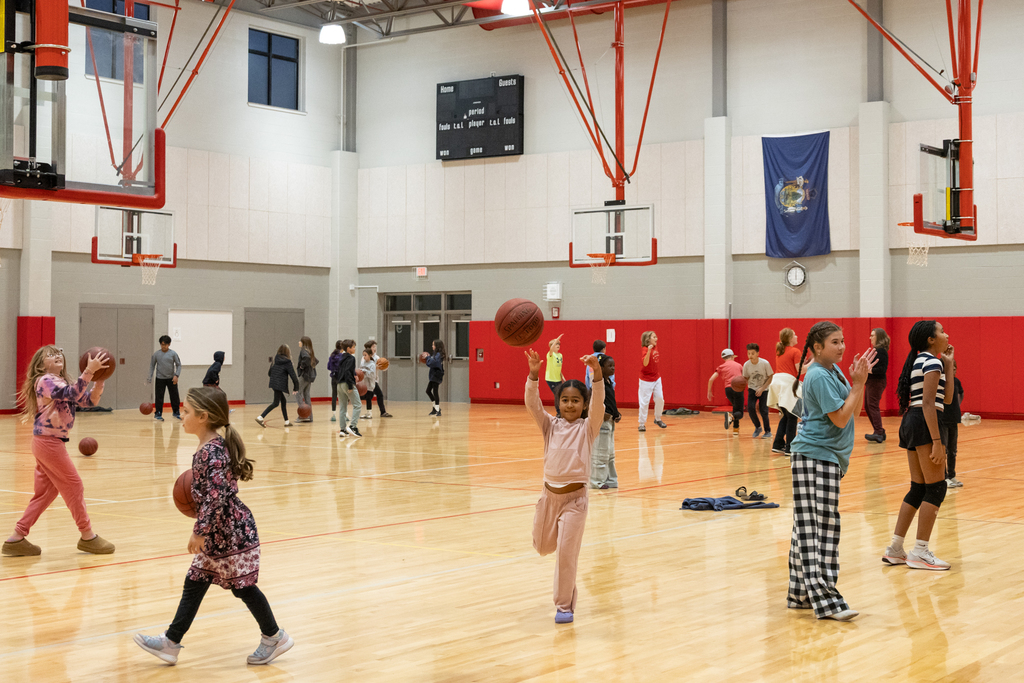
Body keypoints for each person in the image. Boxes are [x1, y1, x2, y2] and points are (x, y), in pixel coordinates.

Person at [133, 387, 293, 666]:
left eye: (186, 412)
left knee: (243, 588)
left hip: (230, 532)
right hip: (220, 530)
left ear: (203, 417)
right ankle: (171, 642)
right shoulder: (209, 447)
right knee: (195, 581)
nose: (181, 415)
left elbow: (216, 497)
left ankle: (274, 637)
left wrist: (199, 530)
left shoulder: (212, 452)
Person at [787, 321, 876, 621]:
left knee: (807, 527)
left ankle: (800, 594)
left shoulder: (833, 371)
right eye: (835, 342)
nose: (841, 347)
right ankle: (827, 601)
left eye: (842, 341)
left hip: (827, 457)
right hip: (814, 456)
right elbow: (839, 418)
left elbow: (853, 411)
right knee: (820, 529)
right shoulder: (817, 375)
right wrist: (858, 384)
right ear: (817, 347)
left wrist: (859, 382)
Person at [3, 346, 116, 557]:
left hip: (47, 442)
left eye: (59, 353)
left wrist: (99, 381)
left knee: (46, 493)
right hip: (48, 443)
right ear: (40, 365)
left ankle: (16, 538)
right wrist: (89, 371)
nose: (57, 355)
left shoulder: (61, 382)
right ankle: (87, 536)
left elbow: (88, 401)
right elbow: (72, 393)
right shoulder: (45, 380)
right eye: (50, 354)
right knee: (74, 485)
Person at [524, 347, 604, 624]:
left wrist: (597, 374)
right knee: (543, 547)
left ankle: (564, 606)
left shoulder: (587, 428)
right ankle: (564, 589)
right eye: (565, 400)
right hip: (549, 498)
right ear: (558, 403)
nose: (570, 405)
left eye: (576, 401)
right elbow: (532, 405)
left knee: (566, 556)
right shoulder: (550, 426)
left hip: (575, 502)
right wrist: (533, 375)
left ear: (584, 404)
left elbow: (599, 405)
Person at [883, 320, 955, 571]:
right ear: (931, 339)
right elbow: (928, 404)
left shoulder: (924, 361)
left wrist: (949, 365)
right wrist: (937, 441)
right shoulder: (931, 362)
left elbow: (946, 398)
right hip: (925, 422)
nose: (946, 334)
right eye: (941, 331)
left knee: (918, 488)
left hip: (911, 421)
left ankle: (895, 549)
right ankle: (920, 552)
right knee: (936, 488)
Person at [769, 328, 804, 455]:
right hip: (787, 384)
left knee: (787, 415)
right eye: (794, 334)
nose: (797, 336)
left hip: (777, 384)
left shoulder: (780, 350)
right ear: (790, 338)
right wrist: (815, 362)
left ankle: (778, 444)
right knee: (792, 416)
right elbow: (800, 370)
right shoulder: (795, 351)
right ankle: (790, 447)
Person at [590, 354, 620, 490]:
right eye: (609, 366)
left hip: (610, 422)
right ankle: (596, 481)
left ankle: (610, 479)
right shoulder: (598, 384)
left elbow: (611, 401)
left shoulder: (609, 382)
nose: (613, 368)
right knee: (600, 453)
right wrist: (601, 414)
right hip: (602, 422)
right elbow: (593, 402)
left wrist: (616, 413)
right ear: (601, 368)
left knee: (610, 454)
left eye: (614, 366)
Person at [255, 345, 299, 428]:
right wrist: (296, 387)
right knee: (275, 403)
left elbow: (269, 373)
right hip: (279, 385)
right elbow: (293, 375)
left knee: (283, 401)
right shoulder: (288, 362)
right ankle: (260, 417)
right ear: (287, 352)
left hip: (273, 383)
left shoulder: (275, 360)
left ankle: (287, 422)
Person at [708, 349, 744, 436]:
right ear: (732, 356)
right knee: (740, 412)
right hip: (738, 388)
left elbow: (711, 379)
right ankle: (731, 417)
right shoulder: (739, 365)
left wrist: (709, 391)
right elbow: (744, 377)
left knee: (735, 407)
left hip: (728, 390)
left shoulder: (721, 367)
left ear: (723, 358)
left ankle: (735, 429)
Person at [742, 343, 774, 440]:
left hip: (764, 389)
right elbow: (745, 378)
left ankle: (768, 431)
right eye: (748, 353)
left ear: (757, 353)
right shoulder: (746, 365)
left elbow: (770, 376)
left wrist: (762, 388)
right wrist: (744, 384)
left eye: (752, 353)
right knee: (750, 408)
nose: (750, 356)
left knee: (763, 410)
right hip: (752, 388)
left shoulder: (765, 363)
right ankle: (758, 427)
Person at [864, 328, 890, 443]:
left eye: (872, 335)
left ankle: (878, 432)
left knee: (872, 406)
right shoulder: (877, 350)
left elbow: (882, 369)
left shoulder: (881, 351)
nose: (870, 338)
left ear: (878, 337)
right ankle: (879, 431)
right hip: (873, 382)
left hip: (876, 382)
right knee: (868, 406)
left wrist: (870, 370)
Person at [148, 335, 182, 421]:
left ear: (169, 344)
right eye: (162, 344)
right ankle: (158, 413)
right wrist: (149, 377)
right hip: (160, 378)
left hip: (171, 378)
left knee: (174, 396)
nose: (163, 346)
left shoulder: (173, 354)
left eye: (165, 344)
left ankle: (176, 412)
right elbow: (152, 366)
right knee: (159, 396)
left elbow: (178, 365)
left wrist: (176, 375)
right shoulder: (156, 354)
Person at [638, 331, 667, 432]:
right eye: (654, 337)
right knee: (644, 402)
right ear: (648, 339)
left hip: (656, 378)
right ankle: (642, 424)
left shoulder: (655, 347)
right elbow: (645, 363)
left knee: (660, 399)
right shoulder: (645, 349)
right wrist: (649, 351)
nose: (656, 339)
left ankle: (658, 419)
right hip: (646, 379)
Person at [335, 340, 362, 438]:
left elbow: (338, 371)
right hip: (347, 383)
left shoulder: (340, 357)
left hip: (339, 384)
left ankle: (342, 430)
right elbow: (347, 371)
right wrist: (350, 385)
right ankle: (353, 426)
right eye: (353, 347)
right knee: (358, 405)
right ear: (348, 348)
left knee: (343, 408)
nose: (355, 348)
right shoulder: (351, 358)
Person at [943, 362, 964, 488]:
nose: (954, 370)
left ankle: (952, 475)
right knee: (943, 449)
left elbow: (961, 393)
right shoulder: (941, 382)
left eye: (955, 368)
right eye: (951, 368)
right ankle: (944, 477)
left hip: (953, 419)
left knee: (952, 450)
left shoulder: (956, 382)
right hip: (943, 419)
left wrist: (957, 407)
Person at [364, 341, 393, 418]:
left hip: (375, 380)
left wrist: (386, 365)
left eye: (375, 346)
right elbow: (364, 369)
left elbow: (382, 368)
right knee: (379, 395)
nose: (375, 348)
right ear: (368, 348)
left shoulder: (377, 358)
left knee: (369, 396)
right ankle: (382, 412)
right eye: (373, 347)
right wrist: (374, 368)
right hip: (368, 380)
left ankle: (369, 413)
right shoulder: (365, 358)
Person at [295, 337, 318, 423]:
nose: (299, 342)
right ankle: (309, 416)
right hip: (310, 376)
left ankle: (303, 415)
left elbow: (306, 359)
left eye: (300, 341)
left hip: (305, 376)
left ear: (303, 343)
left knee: (297, 392)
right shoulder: (310, 350)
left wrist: (301, 366)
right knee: (306, 394)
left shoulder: (303, 351)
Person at [546, 334, 566, 416]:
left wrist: (562, 376)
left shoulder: (560, 355)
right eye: (556, 344)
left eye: (558, 344)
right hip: (551, 379)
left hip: (558, 379)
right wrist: (557, 339)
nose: (558, 345)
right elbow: (551, 349)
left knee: (561, 394)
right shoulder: (550, 354)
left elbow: (558, 368)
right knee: (557, 395)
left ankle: (561, 411)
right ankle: (559, 413)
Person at [425, 341, 446, 417]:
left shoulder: (438, 355)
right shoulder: (436, 354)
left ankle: (437, 410)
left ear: (437, 346)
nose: (432, 346)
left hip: (436, 375)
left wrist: (427, 358)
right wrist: (429, 357)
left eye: (433, 345)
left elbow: (432, 363)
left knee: (435, 392)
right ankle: (435, 409)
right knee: (428, 391)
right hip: (433, 375)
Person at [359, 348, 378, 420]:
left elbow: (372, 375)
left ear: (370, 355)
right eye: (363, 355)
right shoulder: (363, 363)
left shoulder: (372, 364)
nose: (364, 357)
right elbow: (360, 371)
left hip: (370, 385)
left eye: (365, 355)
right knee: (363, 397)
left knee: (368, 398)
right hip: (364, 384)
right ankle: (366, 412)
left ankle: (369, 413)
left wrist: (365, 372)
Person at [327, 341, 343, 422]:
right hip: (341, 378)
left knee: (334, 395)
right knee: (343, 396)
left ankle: (333, 414)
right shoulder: (343, 356)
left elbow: (328, 367)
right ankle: (345, 414)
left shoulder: (332, 356)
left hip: (334, 377)